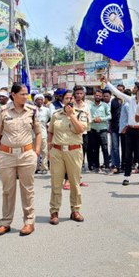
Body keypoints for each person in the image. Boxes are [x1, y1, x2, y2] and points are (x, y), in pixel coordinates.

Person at [0, 83, 41, 236]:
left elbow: (38, 132)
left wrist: (36, 152)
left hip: (26, 154)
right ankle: (5, 222)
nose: (25, 97)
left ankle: (29, 222)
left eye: (27, 94)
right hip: (6, 155)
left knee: (27, 190)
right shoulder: (3, 111)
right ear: (13, 95)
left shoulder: (32, 111)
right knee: (8, 190)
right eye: (22, 94)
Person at [48, 90, 90, 225]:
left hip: (74, 151)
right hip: (57, 151)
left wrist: (72, 115)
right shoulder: (56, 115)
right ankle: (54, 211)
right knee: (56, 182)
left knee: (74, 182)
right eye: (66, 98)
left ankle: (75, 210)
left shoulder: (81, 114)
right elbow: (50, 132)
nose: (68, 101)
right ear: (62, 100)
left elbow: (80, 130)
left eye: (71, 98)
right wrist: (49, 148)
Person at [105, 80, 139, 186]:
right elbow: (118, 93)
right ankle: (126, 177)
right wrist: (107, 83)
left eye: (135, 87)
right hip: (130, 130)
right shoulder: (130, 99)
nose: (133, 88)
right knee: (128, 155)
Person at [88, 90, 111, 172]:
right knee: (95, 149)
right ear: (94, 96)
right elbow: (88, 116)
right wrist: (93, 119)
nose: (98, 97)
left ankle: (107, 166)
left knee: (105, 148)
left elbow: (109, 116)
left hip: (103, 130)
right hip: (93, 129)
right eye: (96, 95)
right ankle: (96, 166)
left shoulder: (105, 105)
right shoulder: (90, 105)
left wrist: (101, 119)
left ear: (101, 96)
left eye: (99, 95)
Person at [34, 94, 52, 174]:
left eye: (41, 99)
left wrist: (48, 125)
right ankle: (35, 167)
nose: (40, 101)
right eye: (38, 99)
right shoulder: (32, 109)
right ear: (35, 101)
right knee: (34, 151)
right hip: (33, 133)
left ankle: (44, 167)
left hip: (43, 132)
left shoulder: (46, 110)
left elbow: (51, 119)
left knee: (44, 151)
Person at [106, 89, 122, 174]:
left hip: (125, 128)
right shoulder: (113, 101)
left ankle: (124, 165)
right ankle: (116, 165)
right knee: (115, 147)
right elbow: (111, 114)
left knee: (126, 148)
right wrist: (110, 126)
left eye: (121, 90)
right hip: (115, 127)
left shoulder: (127, 100)